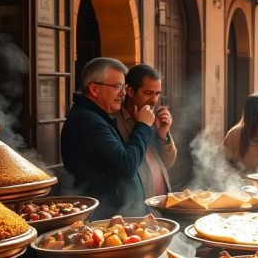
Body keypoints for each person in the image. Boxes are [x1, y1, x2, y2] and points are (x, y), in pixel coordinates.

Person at [60, 57, 154, 218]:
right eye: (117, 87)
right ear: (94, 89)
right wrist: (143, 126)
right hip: (106, 217)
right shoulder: (87, 121)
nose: (123, 93)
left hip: (118, 214)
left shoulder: (96, 116)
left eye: (123, 87)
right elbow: (126, 164)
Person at [111, 64, 177, 199]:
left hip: (161, 201)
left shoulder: (153, 118)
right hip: (137, 206)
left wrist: (163, 134)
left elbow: (168, 162)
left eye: (157, 94)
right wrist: (142, 125)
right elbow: (126, 165)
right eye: (148, 93)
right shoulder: (114, 121)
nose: (154, 100)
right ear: (130, 91)